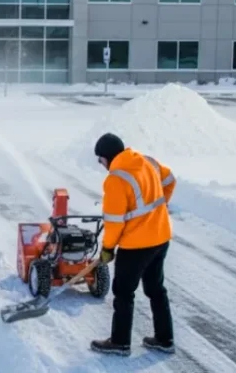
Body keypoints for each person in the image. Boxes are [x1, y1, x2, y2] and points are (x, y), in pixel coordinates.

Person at [90, 132, 177, 357]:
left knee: (123, 292)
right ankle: (164, 339)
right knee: (156, 289)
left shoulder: (116, 178)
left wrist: (108, 248)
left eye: (101, 160)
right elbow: (170, 180)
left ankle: (120, 343)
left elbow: (114, 221)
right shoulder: (146, 160)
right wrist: (159, 208)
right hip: (161, 237)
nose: (102, 166)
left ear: (108, 156)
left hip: (136, 245)